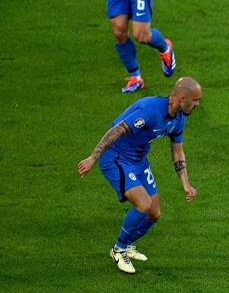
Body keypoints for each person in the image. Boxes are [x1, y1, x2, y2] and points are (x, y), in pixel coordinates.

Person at [77, 77, 202, 274]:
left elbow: (178, 152)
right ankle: (118, 250)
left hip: (138, 161)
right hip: (116, 158)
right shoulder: (150, 110)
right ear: (182, 98)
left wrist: (185, 183)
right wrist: (93, 157)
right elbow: (117, 130)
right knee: (143, 205)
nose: (197, 104)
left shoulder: (179, 119)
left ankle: (127, 244)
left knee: (154, 213)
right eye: (195, 100)